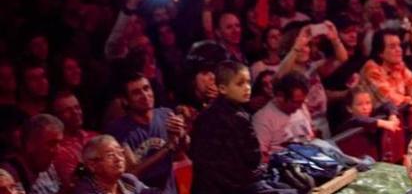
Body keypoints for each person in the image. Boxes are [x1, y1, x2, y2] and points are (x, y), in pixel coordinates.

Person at [189, 61, 296, 194]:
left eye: (248, 82)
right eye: (240, 84)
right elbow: (253, 159)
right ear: (222, 88)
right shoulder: (239, 118)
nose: (247, 88)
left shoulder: (204, 114)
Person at [104, 75, 186, 194]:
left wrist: (181, 135)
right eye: (136, 93)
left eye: (146, 88)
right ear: (126, 100)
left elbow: (180, 153)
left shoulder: (166, 115)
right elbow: (131, 173)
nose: (144, 95)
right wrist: (167, 148)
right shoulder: (118, 131)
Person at [361, 30, 412, 113]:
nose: (399, 50)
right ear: (380, 53)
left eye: (399, 45)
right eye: (392, 47)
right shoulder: (371, 70)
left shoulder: (399, 66)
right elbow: (389, 98)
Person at [252, 72, 314, 160]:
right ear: (280, 96)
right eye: (296, 102)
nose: (300, 106)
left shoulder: (301, 106)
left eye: (302, 101)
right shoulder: (262, 119)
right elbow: (262, 157)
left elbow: (311, 134)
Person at [0, 114, 64, 194]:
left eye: (59, 143)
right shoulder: (6, 176)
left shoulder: (48, 167)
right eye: (51, 144)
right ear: (30, 144)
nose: (58, 150)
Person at [73, 135, 158, 194]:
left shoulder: (127, 180)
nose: (118, 159)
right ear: (92, 165)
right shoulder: (84, 189)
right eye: (110, 155)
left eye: (120, 153)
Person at [50, 92, 98, 191]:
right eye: (67, 110)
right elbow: (73, 183)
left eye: (77, 107)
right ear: (56, 117)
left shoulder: (95, 136)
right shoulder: (58, 149)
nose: (75, 112)